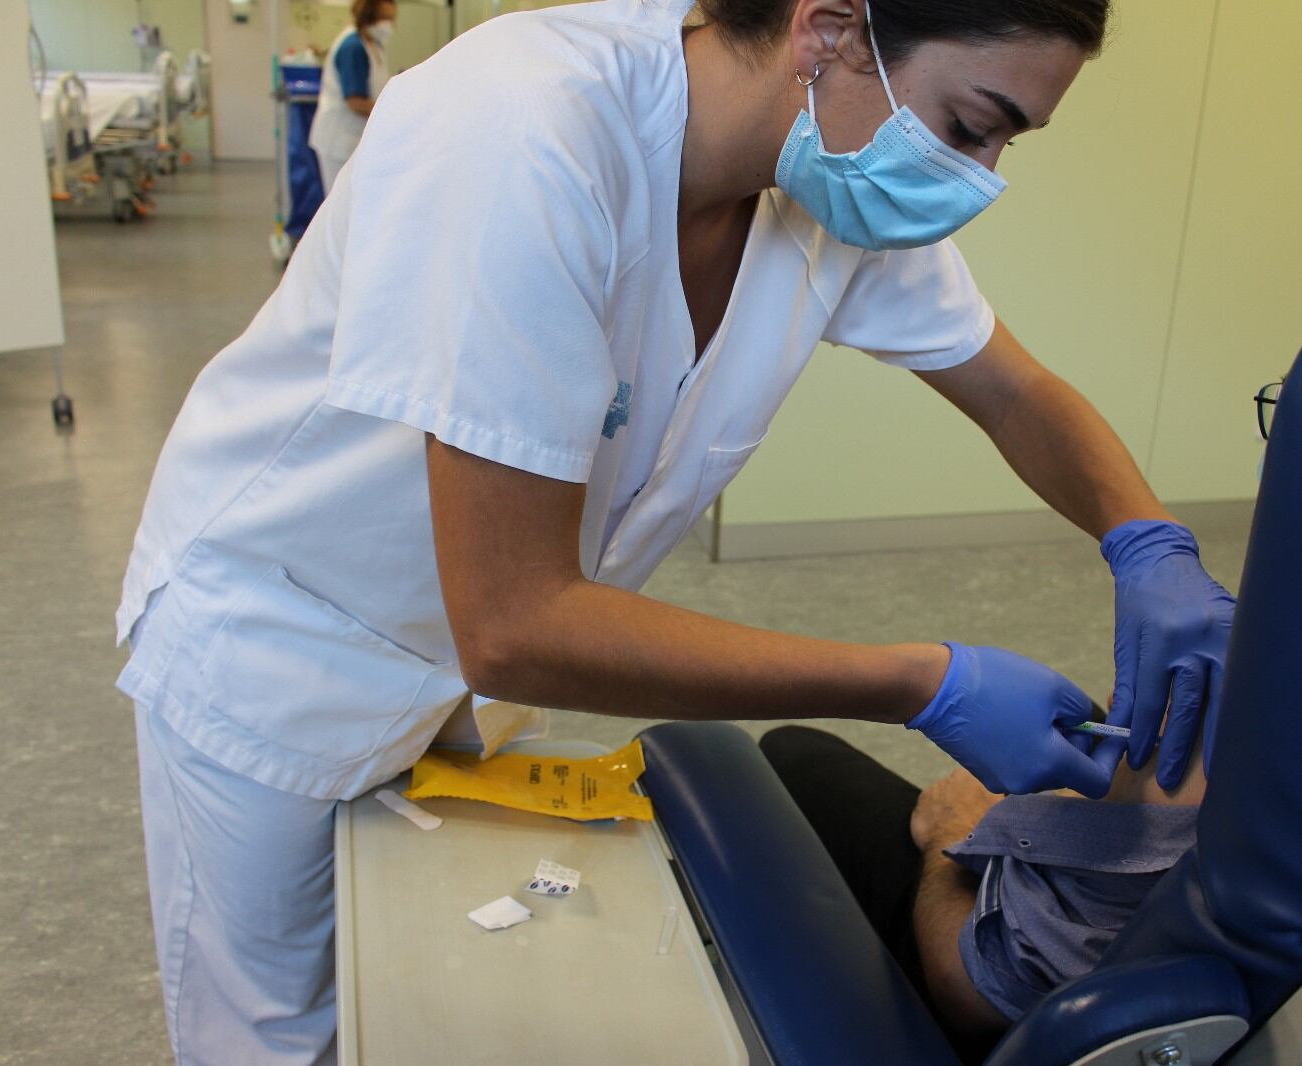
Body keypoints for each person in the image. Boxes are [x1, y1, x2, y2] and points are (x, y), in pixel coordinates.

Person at [115, 0, 1236, 1060]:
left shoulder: (819, 171)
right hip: (281, 649)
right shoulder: (522, 130)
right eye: (969, 127)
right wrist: (920, 682)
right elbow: (513, 619)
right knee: (278, 1036)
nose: (977, 178)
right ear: (831, 28)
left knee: (425, 989)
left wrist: (1147, 542)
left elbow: (1014, 392)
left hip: (454, 666)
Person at [760, 721, 1202, 1061]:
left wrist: (951, 828)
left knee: (792, 751)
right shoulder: (1253, 775)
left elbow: (974, 989)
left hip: (992, 1012)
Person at [309, 0, 396, 193]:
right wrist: (393, 113)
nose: (387, 25)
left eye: (391, 19)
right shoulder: (352, 47)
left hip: (353, 138)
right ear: (367, 17)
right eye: (383, 19)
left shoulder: (373, 44)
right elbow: (355, 102)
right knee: (341, 201)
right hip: (339, 138)